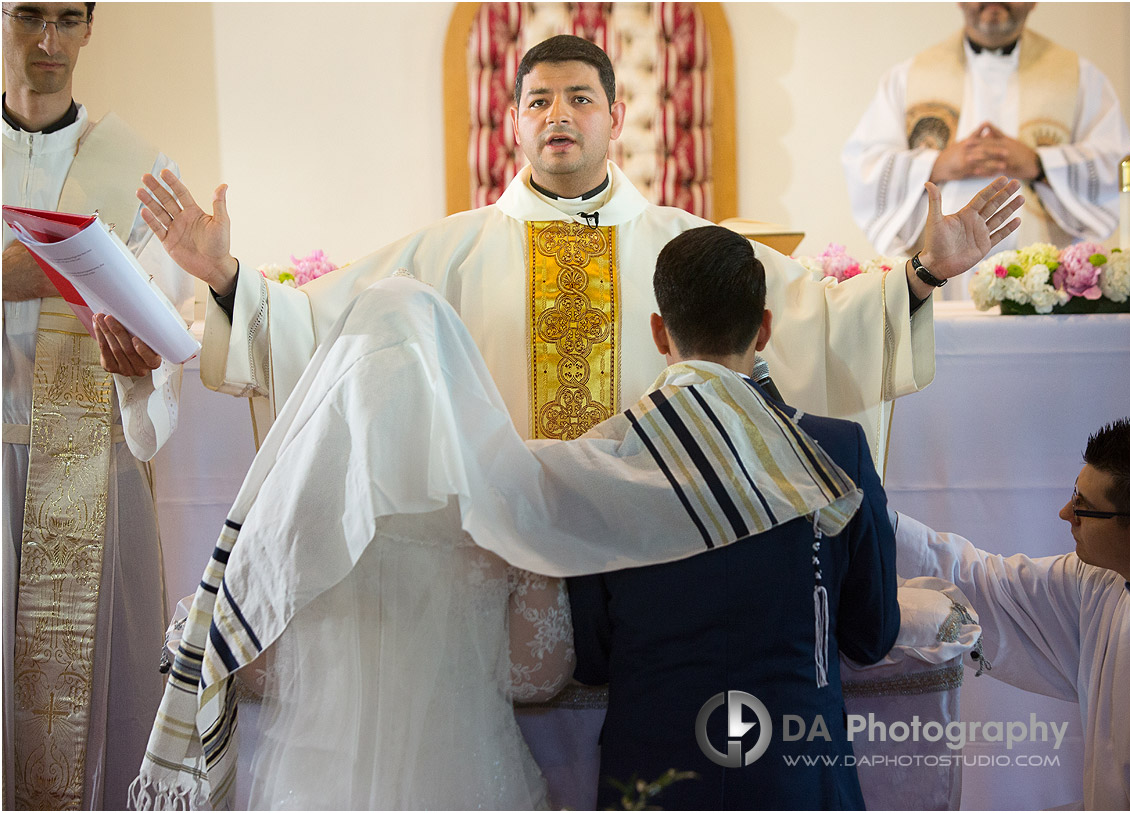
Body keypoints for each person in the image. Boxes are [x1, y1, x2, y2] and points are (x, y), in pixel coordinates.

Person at [124, 34, 1020, 807]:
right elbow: (328, 336)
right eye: (539, 100)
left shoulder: (685, 241)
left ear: (617, 115)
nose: (560, 114)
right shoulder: (447, 249)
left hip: (662, 599)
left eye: (581, 98)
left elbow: (823, 323)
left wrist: (921, 279)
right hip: (504, 580)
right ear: (512, 123)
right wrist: (228, 280)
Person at [132, 272, 870, 810]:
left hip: (312, 786)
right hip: (467, 781)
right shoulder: (489, 516)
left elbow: (251, 668)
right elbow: (539, 676)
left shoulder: (293, 519)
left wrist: (349, 680)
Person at [568, 225, 898, 809]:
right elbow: (871, 635)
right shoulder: (834, 451)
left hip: (653, 777)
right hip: (797, 776)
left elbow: (592, 659)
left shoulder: (602, 458)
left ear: (658, 332)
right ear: (764, 329)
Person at [1, 2, 194, 809]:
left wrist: (146, 360)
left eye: (68, 19)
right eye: (28, 16)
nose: (49, 42)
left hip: (89, 467)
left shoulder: (139, 169)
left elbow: (164, 313)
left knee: (105, 711)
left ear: (90, 28)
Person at [893, 418, 1130, 810]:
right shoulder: (1104, 579)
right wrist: (875, 524)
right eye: (1074, 495)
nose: (1066, 513)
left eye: (1084, 507)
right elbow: (985, 584)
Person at [842, 2, 1130, 300]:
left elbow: (1114, 163)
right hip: (941, 285)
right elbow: (864, 166)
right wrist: (937, 164)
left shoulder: (1080, 77)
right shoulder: (906, 77)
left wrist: (1040, 163)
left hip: (1046, 285)